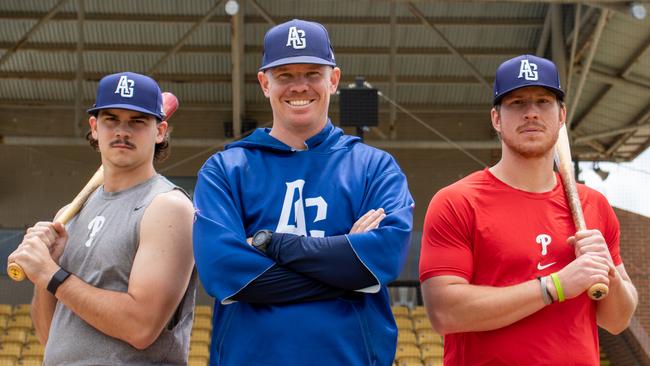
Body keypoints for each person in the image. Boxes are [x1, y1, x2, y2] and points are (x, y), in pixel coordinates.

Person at [193, 19, 414, 365]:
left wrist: (271, 244)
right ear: (265, 83)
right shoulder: (225, 169)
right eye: (285, 75)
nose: (299, 87)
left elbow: (382, 258)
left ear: (334, 80)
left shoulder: (375, 167)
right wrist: (347, 268)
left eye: (312, 73)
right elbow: (223, 273)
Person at [419, 55, 638, 365]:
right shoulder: (458, 201)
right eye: (517, 103)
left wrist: (608, 272)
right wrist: (556, 285)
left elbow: (618, 320)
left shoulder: (594, 205)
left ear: (561, 115)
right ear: (496, 118)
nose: (531, 113)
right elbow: (445, 312)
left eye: (543, 101)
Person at [8, 72, 196, 365]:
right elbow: (50, 337)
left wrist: (50, 273)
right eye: (111, 119)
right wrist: (43, 271)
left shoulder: (166, 207)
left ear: (159, 132)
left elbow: (141, 327)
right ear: (94, 128)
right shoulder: (70, 214)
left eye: (137, 121)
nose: (123, 131)